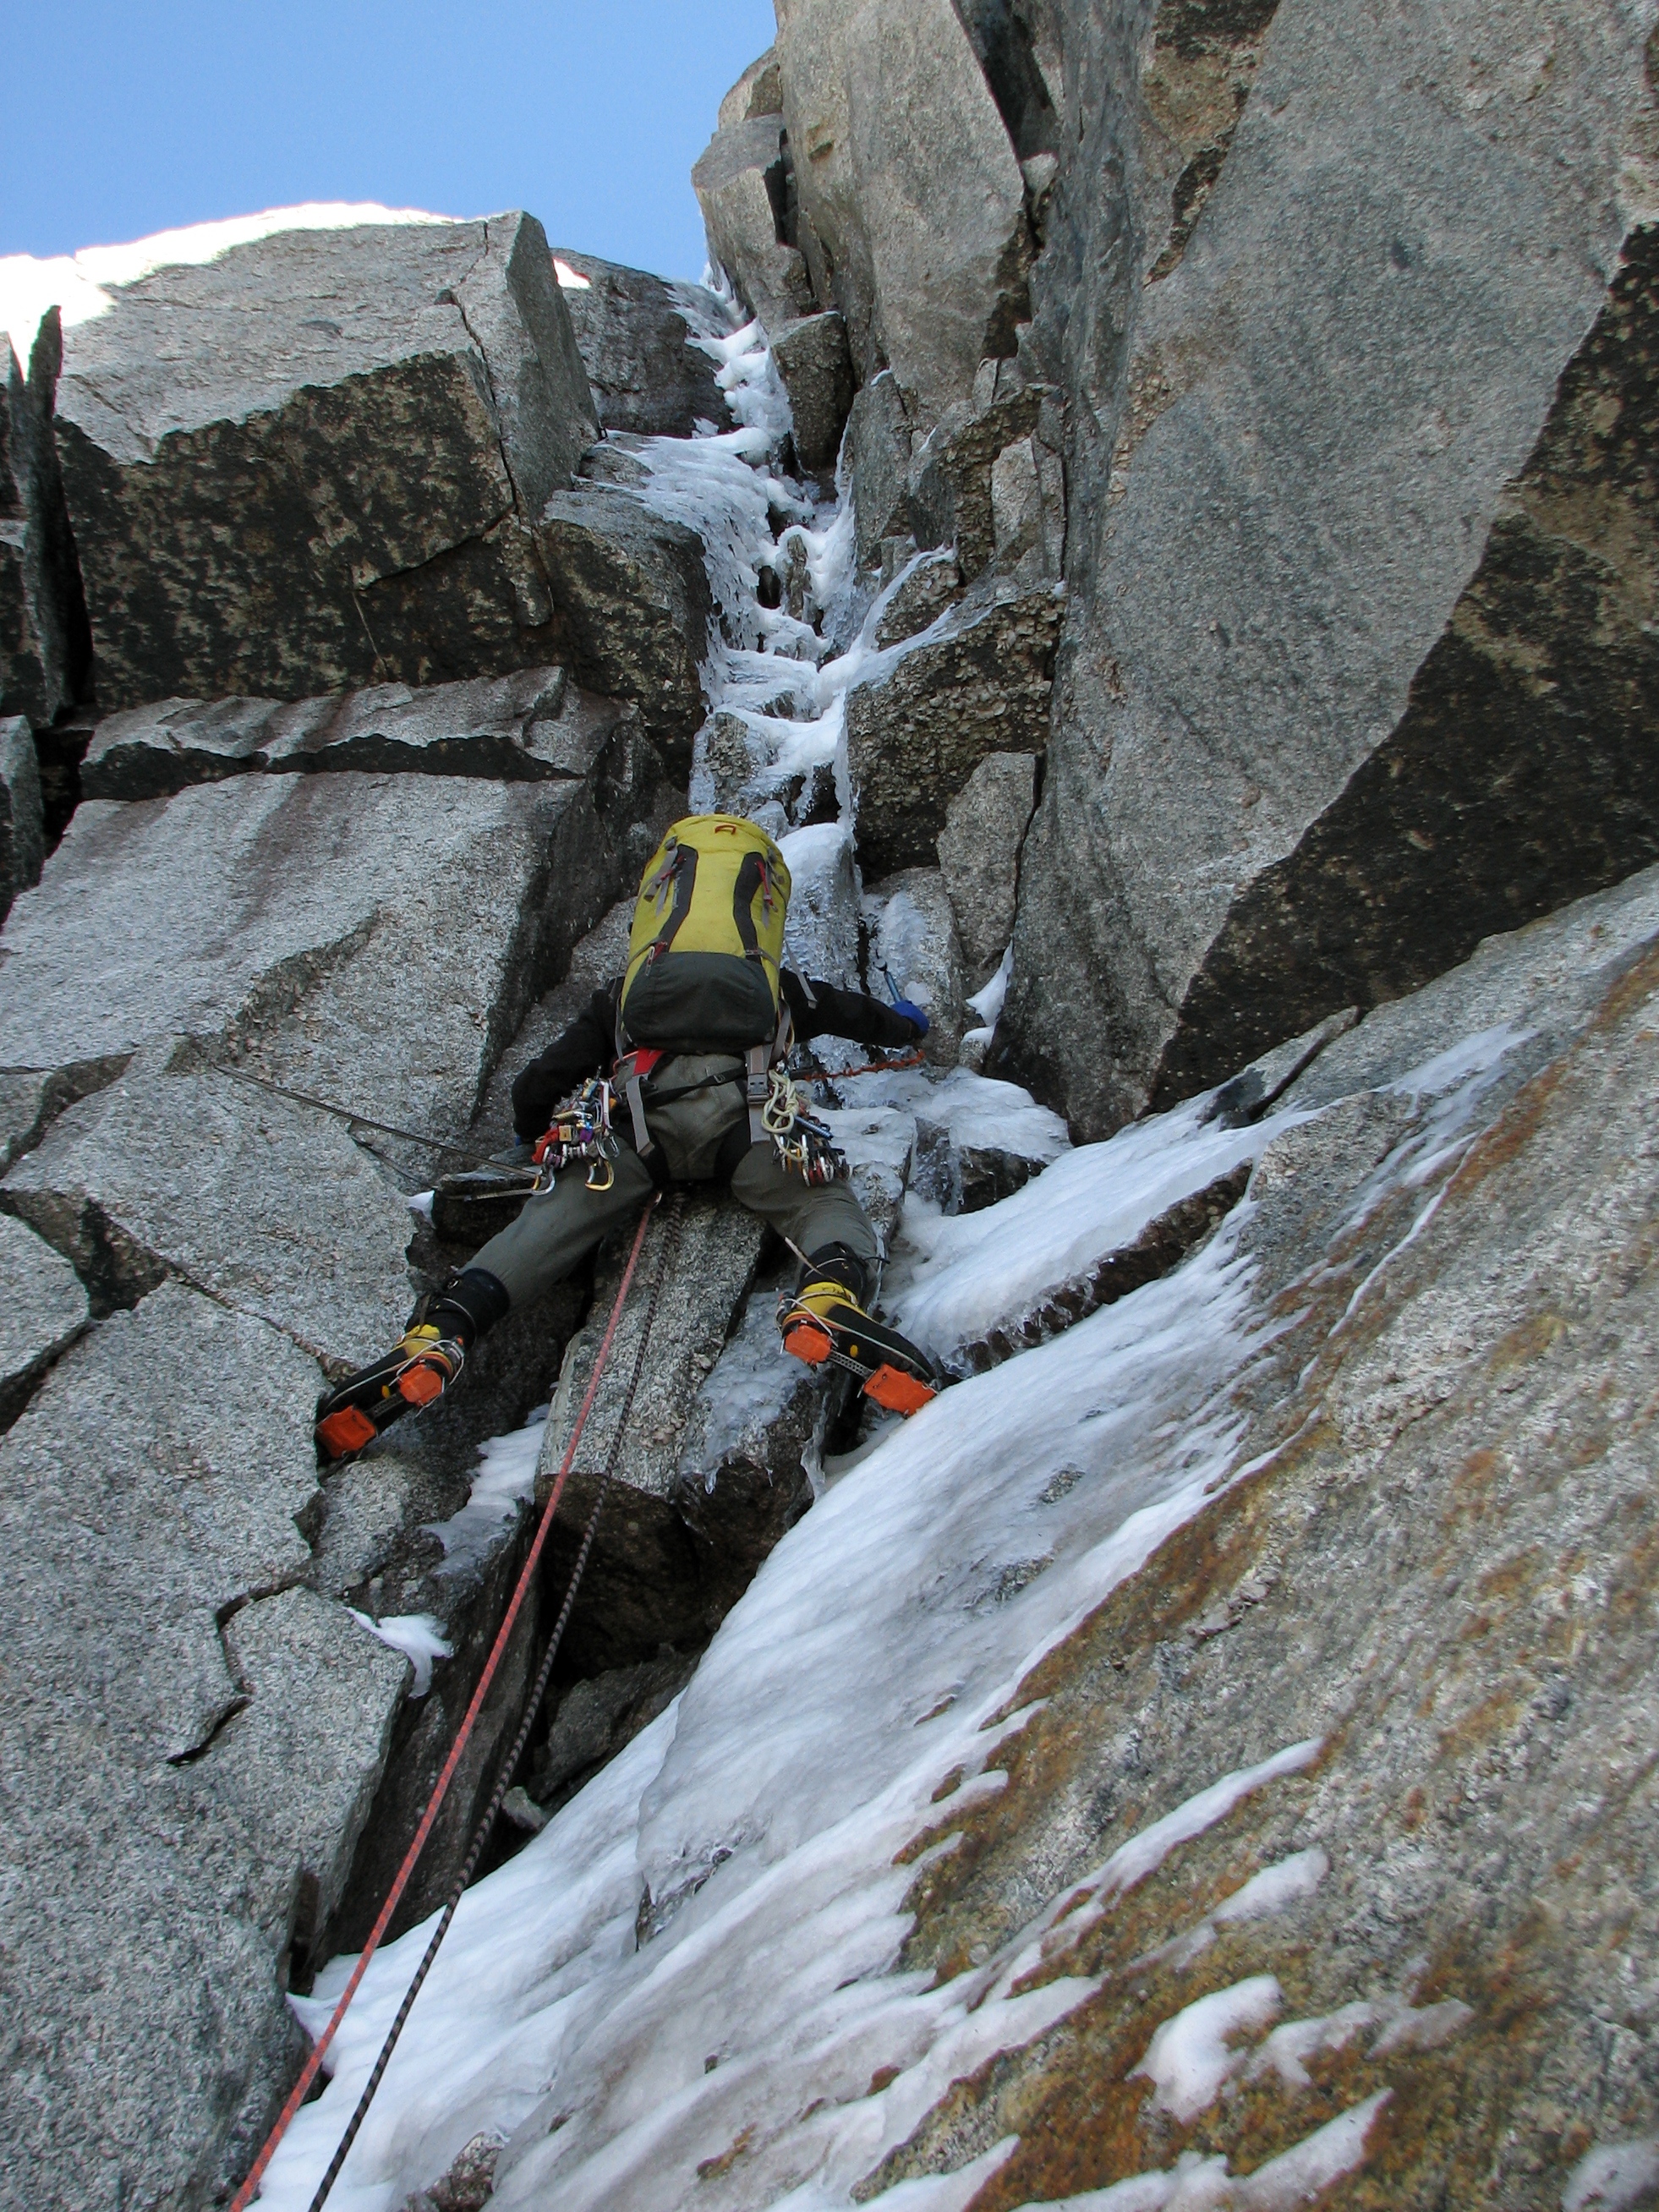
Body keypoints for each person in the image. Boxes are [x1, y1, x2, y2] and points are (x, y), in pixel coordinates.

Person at [315, 816, 941, 1464]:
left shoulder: (622, 998)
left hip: (632, 1138)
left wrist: (533, 1138)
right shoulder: (778, 988)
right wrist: (910, 1025)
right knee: (823, 1203)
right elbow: (865, 1017)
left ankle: (438, 1336)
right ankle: (828, 1295)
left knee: (542, 1229)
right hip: (750, 1130)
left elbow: (538, 1082)